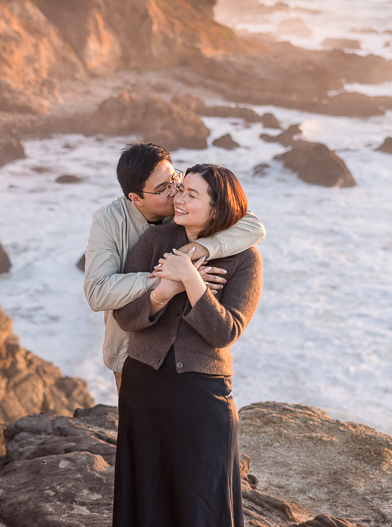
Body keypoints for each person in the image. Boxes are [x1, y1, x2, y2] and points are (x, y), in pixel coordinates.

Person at [111, 164, 261, 527]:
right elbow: (125, 317)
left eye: (192, 195)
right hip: (143, 388)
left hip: (201, 396)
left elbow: (226, 331)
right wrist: (165, 291)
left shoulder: (245, 259)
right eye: (181, 190)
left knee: (203, 503)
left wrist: (191, 279)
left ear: (218, 208)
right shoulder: (155, 241)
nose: (178, 199)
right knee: (145, 495)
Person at [83, 143, 264, 391]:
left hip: (185, 358)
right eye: (162, 189)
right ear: (136, 198)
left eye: (174, 179)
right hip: (129, 350)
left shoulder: (185, 205)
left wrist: (201, 249)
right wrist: (169, 279)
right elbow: (97, 293)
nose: (175, 193)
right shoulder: (109, 220)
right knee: (137, 426)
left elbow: (254, 225)